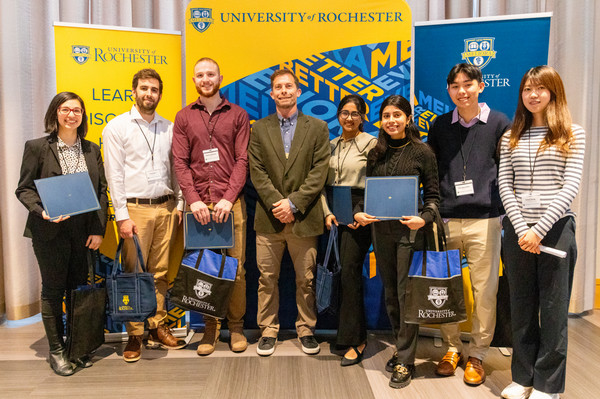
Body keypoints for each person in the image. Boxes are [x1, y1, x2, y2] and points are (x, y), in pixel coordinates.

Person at [499, 66, 585, 399]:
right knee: (520, 306)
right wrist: (523, 229)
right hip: (519, 232)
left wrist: (539, 230)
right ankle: (522, 378)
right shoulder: (511, 135)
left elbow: (570, 185)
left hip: (556, 229)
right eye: (527, 89)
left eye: (540, 88)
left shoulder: (572, 133)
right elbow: (505, 184)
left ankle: (549, 385)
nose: (533, 95)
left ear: (553, 92)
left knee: (552, 309)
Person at [427, 63, 511, 385]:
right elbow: (431, 170)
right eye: (455, 86)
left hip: (485, 220)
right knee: (444, 289)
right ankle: (451, 348)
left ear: (481, 85)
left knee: (484, 291)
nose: (462, 91)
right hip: (446, 218)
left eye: (468, 84)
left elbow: (508, 171)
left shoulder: (500, 123)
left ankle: (477, 353)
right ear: (448, 90)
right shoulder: (439, 125)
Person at [16, 92, 108, 376]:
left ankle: (76, 347)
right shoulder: (37, 147)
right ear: (55, 113)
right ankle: (57, 351)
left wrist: (98, 229)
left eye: (77, 110)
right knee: (54, 291)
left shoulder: (92, 149)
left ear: (83, 116)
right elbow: (24, 188)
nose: (72, 115)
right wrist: (41, 210)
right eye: (66, 109)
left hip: (82, 232)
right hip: (50, 231)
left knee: (76, 289)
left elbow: (101, 190)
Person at [354, 95, 439, 388]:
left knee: (406, 295)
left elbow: (433, 198)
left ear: (408, 118)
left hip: (410, 233)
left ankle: (405, 360)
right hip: (381, 232)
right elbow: (369, 194)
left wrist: (424, 219)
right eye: (386, 115)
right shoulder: (375, 153)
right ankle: (403, 348)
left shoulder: (422, 152)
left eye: (397, 115)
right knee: (391, 293)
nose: (391, 120)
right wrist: (360, 213)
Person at [103, 68, 186, 363]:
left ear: (160, 95)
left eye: (154, 89)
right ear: (134, 91)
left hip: (166, 208)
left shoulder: (170, 127)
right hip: (134, 210)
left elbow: (177, 169)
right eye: (144, 88)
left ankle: (157, 326)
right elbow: (113, 176)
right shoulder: (117, 127)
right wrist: (122, 216)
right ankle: (135, 333)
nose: (148, 94)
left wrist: (179, 203)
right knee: (135, 273)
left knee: (161, 272)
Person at [248, 69, 330, 356]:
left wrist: (293, 204)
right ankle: (268, 330)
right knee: (266, 279)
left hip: (304, 218)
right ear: (271, 94)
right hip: (269, 219)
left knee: (305, 280)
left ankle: (306, 329)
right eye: (278, 87)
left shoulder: (317, 127)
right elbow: (256, 172)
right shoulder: (258, 128)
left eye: (289, 86)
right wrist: (278, 204)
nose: (283, 90)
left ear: (298, 92)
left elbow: (319, 172)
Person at [172, 57, 250, 355]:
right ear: (194, 80)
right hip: (198, 207)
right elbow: (180, 162)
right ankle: (210, 329)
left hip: (232, 205)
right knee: (203, 270)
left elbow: (242, 160)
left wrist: (228, 198)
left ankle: (237, 327)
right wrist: (193, 200)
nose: (205, 79)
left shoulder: (238, 115)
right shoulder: (183, 117)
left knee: (236, 269)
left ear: (220, 77)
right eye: (200, 75)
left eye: (210, 74)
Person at [320, 95, 376, 366]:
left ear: (363, 117)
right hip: (335, 210)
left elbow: (379, 180)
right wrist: (327, 212)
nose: (349, 118)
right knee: (342, 274)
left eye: (355, 113)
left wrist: (359, 210)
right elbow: (321, 183)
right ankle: (345, 333)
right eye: (344, 113)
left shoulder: (372, 143)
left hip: (360, 211)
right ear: (338, 116)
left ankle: (357, 340)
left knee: (351, 273)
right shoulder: (330, 145)